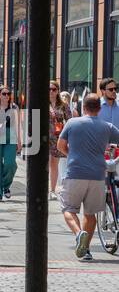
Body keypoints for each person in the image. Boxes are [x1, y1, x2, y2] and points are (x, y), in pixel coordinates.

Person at [57, 92, 119, 261]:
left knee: (68, 209)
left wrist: (72, 154)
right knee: (90, 214)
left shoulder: (72, 123)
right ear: (99, 109)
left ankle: (79, 234)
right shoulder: (107, 126)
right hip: (98, 175)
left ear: (83, 108)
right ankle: (86, 250)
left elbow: (60, 145)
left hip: (75, 173)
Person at [48, 80, 69, 200]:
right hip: (43, 137)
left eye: (54, 89)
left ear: (57, 91)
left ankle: (52, 190)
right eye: (49, 89)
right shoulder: (40, 103)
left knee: (53, 163)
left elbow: (70, 121)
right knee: (44, 164)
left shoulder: (63, 105)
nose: (51, 91)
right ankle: (42, 187)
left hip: (57, 137)